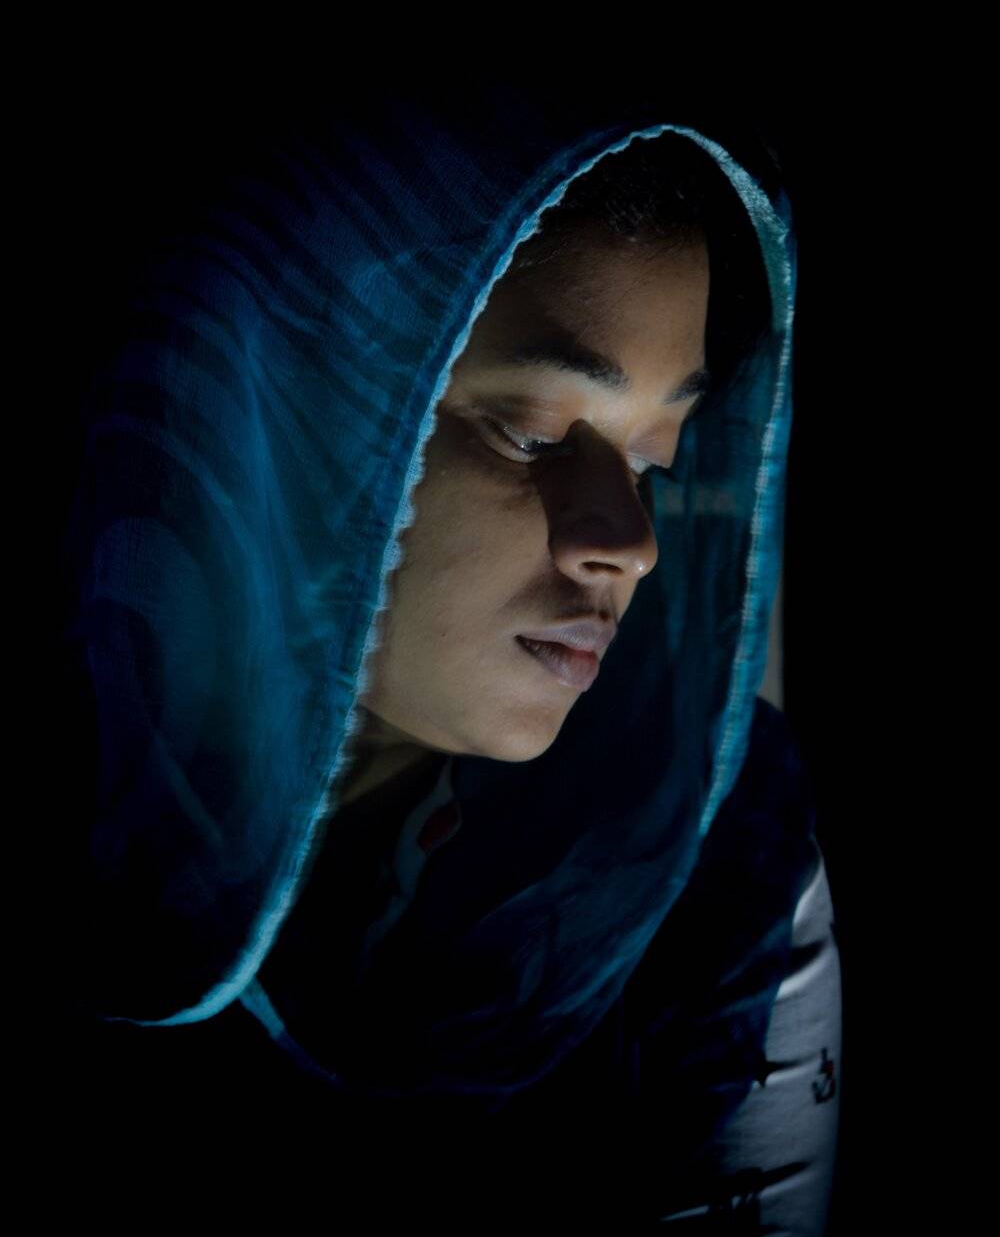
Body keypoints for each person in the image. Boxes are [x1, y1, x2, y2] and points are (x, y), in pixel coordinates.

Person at [59, 87, 841, 1228]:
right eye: (529, 435)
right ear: (288, 409)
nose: (628, 544)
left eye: (653, 456)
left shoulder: (708, 845)